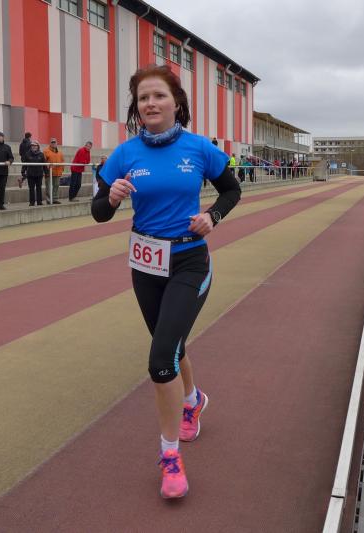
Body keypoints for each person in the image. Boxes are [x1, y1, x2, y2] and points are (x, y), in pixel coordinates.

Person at [91, 64, 241, 500]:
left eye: (158, 95)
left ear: (176, 102)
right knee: (170, 344)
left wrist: (212, 216)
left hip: (189, 261)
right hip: (145, 263)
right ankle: (192, 401)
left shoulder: (199, 148)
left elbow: (231, 189)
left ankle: (170, 456)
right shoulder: (125, 154)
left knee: (160, 360)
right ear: (136, 108)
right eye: (143, 98)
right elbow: (98, 211)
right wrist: (110, 198)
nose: (150, 104)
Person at [22, 139, 45, 206]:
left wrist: (46, 172)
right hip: (30, 174)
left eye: (35, 145)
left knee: (39, 188)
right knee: (31, 189)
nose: (34, 147)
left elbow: (44, 164)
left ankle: (39, 202)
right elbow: (24, 164)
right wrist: (23, 172)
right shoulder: (27, 154)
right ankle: (32, 202)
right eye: (32, 145)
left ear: (38, 146)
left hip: (39, 174)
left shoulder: (41, 154)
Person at [43, 137, 64, 204]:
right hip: (49, 172)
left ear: (56, 143)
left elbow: (62, 161)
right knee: (48, 186)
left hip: (58, 172)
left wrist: (62, 169)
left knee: (56, 186)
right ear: (50, 143)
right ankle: (49, 199)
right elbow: (43, 161)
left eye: (54, 142)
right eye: (52, 142)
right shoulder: (45, 151)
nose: (53, 143)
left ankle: (55, 199)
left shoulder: (60, 153)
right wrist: (46, 169)